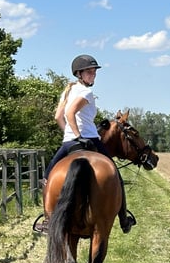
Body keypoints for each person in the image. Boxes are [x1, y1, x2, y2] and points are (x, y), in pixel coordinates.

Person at [33, 54, 136, 235]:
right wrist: (79, 136)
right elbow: (71, 112)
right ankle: (123, 219)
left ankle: (48, 220)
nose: (93, 75)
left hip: (68, 142)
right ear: (79, 73)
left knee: (48, 176)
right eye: (89, 72)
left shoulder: (67, 91)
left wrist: (69, 133)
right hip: (89, 138)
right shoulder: (86, 93)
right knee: (115, 174)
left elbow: (59, 116)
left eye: (94, 72)